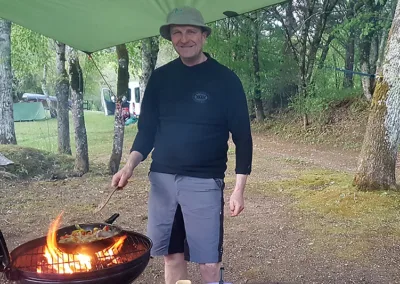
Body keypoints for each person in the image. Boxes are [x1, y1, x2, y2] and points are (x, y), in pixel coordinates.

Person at [112, 6, 253, 284]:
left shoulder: (226, 80)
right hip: (162, 181)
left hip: (204, 182)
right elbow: (147, 131)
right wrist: (128, 167)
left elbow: (243, 138)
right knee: (171, 255)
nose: (184, 38)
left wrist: (238, 190)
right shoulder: (161, 78)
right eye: (177, 32)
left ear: (203, 36)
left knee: (209, 263)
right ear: (171, 38)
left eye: (190, 32)